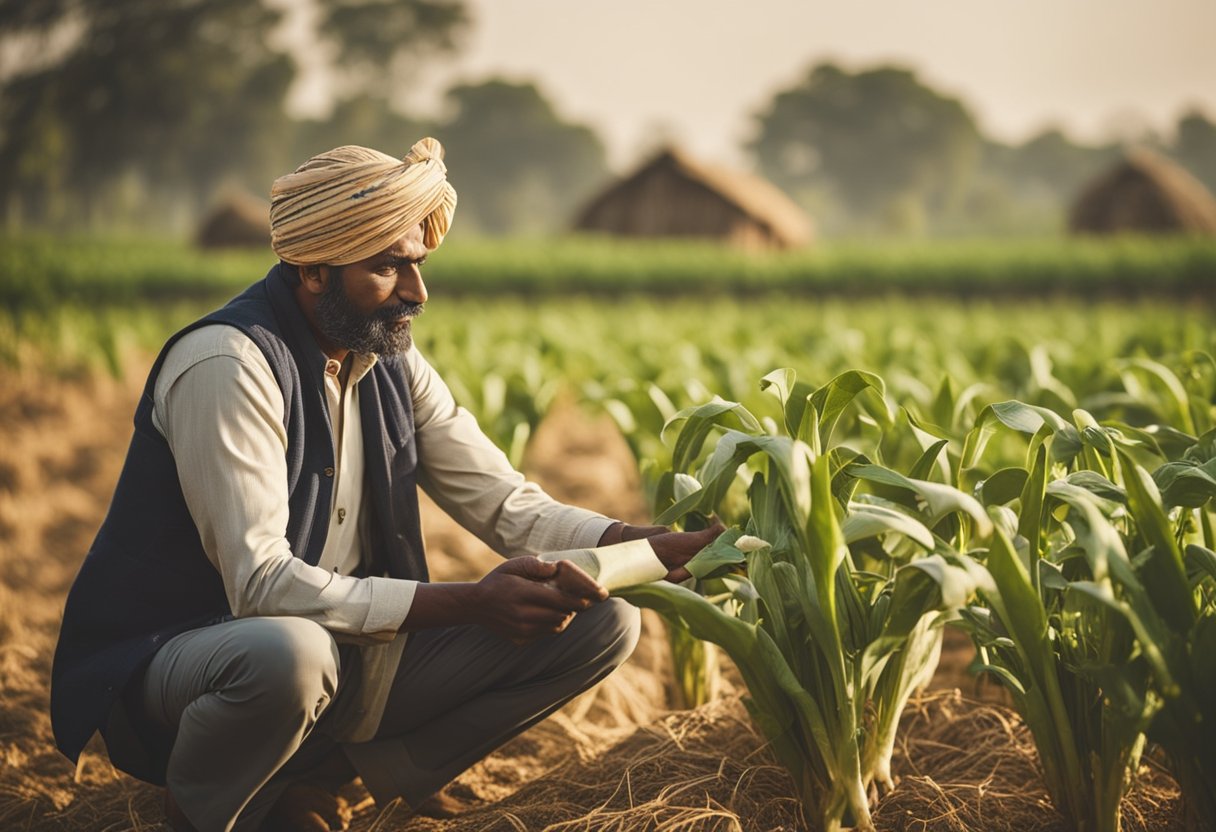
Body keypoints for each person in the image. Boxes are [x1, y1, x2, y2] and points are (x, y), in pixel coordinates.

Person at [50, 138, 722, 832]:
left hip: (341, 658)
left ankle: (320, 782)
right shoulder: (230, 362)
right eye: (386, 267)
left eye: (417, 264)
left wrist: (629, 542)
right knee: (289, 653)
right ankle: (204, 807)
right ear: (312, 268)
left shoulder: (387, 354)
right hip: (192, 658)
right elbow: (261, 586)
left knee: (607, 620)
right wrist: (471, 602)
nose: (416, 291)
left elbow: (501, 499)